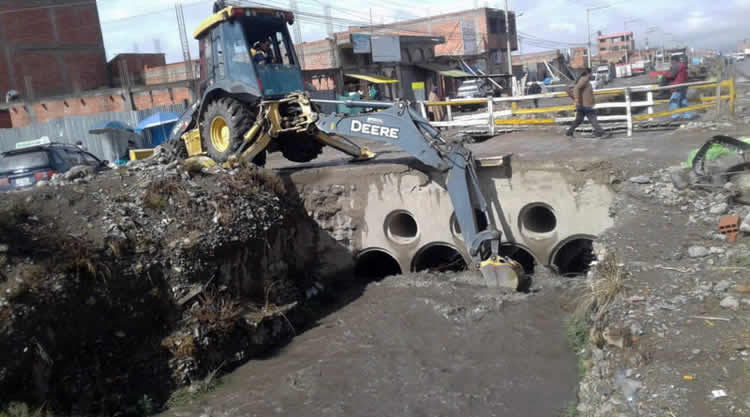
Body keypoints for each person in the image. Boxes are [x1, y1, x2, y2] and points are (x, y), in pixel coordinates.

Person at [565, 68, 609, 139]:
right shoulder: (584, 79)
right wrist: (576, 98)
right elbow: (576, 88)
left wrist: (575, 98)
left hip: (581, 105)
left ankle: (569, 132)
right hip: (586, 105)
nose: (592, 75)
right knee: (592, 119)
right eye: (591, 73)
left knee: (579, 120)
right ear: (588, 73)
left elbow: (569, 89)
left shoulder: (581, 80)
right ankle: (601, 133)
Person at [663, 55, 691, 119]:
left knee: (673, 101)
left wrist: (665, 74)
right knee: (683, 101)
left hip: (677, 86)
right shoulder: (683, 66)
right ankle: (687, 115)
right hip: (684, 86)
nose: (671, 62)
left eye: (671, 61)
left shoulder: (676, 66)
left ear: (674, 60)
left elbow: (671, 75)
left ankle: (675, 116)